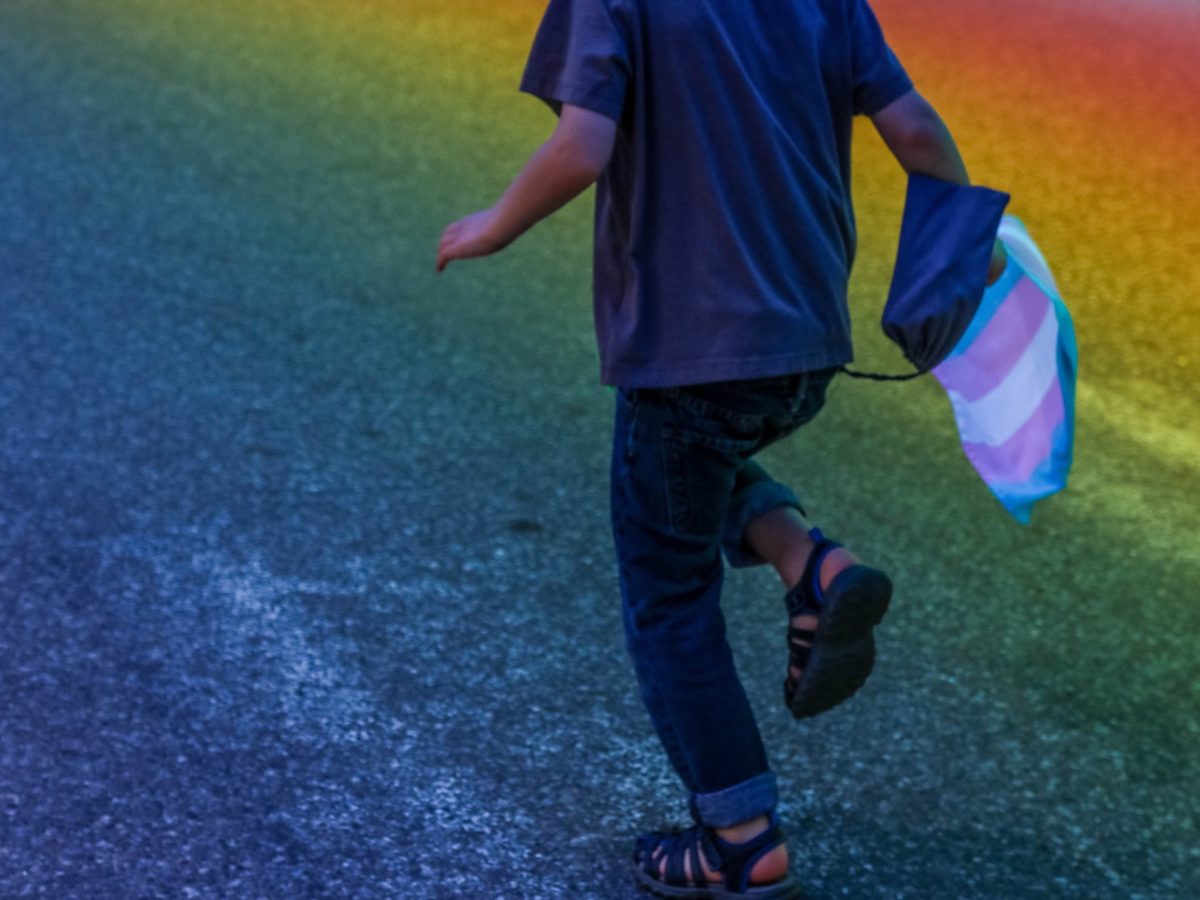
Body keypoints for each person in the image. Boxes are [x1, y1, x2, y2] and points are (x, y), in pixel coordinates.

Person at [436, 1, 1004, 895]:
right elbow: (921, 134)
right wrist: (960, 253)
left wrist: (493, 225)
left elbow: (583, 145)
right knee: (681, 479)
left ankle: (740, 835)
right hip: (805, 346)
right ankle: (808, 561)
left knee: (667, 588)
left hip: (688, 350)